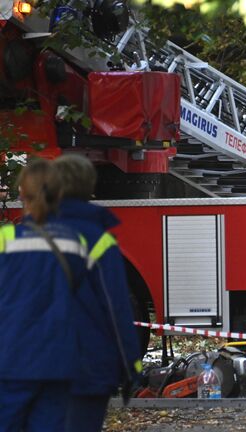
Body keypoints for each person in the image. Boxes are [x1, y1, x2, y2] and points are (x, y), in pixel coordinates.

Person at [52, 154, 142, 432]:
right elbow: (115, 309)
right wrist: (130, 367)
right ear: (89, 188)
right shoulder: (98, 241)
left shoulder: (21, 236)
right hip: (86, 367)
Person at [0, 159, 89, 432]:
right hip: (59, 362)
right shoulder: (76, 244)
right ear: (60, 194)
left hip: (12, 360)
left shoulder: (5, 240)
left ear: (22, 194)